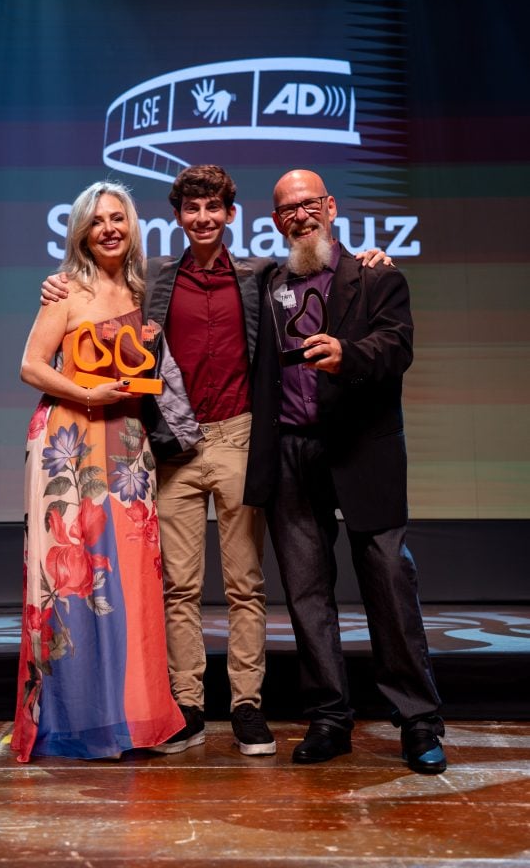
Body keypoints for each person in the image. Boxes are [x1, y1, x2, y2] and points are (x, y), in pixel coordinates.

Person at [41, 166, 388, 758]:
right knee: (178, 588)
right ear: (177, 218)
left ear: (231, 215)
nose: (202, 218)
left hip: (240, 438)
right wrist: (59, 284)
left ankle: (247, 706)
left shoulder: (262, 276)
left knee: (245, 585)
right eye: (191, 209)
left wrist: (370, 256)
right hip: (174, 445)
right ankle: (189, 703)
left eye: (213, 208)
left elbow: (326, 273)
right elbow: (101, 291)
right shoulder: (153, 281)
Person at [243, 169, 446, 774]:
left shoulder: (377, 276)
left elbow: (397, 347)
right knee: (306, 593)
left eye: (308, 204)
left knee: (388, 583)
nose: (299, 216)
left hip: (362, 449)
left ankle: (417, 722)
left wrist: (348, 355)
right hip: (291, 453)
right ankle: (330, 717)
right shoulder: (267, 283)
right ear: (276, 221)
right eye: (286, 210)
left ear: (330, 207)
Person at [11, 181, 184, 762]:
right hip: (69, 442)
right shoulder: (66, 290)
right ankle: (73, 720)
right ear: (81, 230)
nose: (109, 228)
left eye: (119, 218)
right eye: (97, 220)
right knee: (74, 580)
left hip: (128, 443)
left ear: (132, 226)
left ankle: (131, 717)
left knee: (132, 577)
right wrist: (89, 393)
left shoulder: (144, 287)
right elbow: (31, 366)